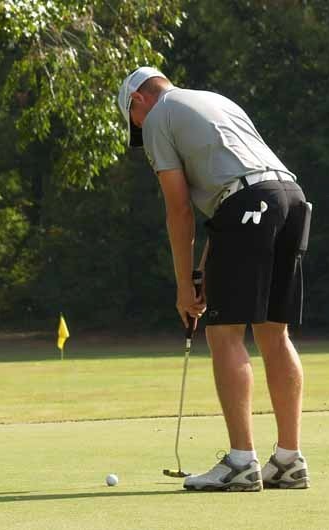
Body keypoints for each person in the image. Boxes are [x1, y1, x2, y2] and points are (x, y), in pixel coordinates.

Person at [117, 67, 312, 491]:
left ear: (138, 102)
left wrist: (184, 285)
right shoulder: (215, 100)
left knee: (224, 333)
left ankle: (241, 462)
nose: (138, 131)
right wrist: (203, 271)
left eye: (132, 121)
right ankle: (288, 461)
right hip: (289, 200)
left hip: (248, 206)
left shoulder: (156, 118)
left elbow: (180, 210)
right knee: (273, 333)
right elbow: (226, 204)